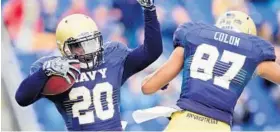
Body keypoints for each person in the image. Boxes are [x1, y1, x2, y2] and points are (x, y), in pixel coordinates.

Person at [15, 0, 162, 131]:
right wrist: (43, 72)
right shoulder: (57, 70)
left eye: (90, 42)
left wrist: (149, 10)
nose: (87, 50)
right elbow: (22, 98)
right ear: (65, 48)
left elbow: (152, 52)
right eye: (79, 45)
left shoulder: (111, 57)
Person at [140, 11, 280, 131]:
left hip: (182, 123)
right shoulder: (253, 54)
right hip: (218, 127)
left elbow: (147, 87)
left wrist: (165, 80)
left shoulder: (194, 37)